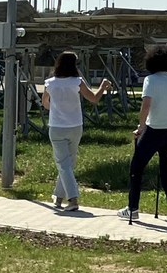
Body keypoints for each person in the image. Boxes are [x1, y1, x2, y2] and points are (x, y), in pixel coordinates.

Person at [38, 51, 112, 212]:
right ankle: (58, 197)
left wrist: (56, 109)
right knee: (68, 163)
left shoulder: (49, 83)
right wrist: (103, 86)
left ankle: (72, 200)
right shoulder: (77, 82)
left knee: (63, 164)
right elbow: (93, 98)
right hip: (75, 126)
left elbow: (45, 103)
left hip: (57, 127)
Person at [121, 46, 167, 224]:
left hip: (154, 130)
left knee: (137, 168)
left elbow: (146, 105)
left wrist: (140, 127)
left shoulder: (150, 80)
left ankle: (132, 208)